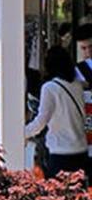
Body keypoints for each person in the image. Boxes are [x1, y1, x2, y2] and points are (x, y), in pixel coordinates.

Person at [24, 45, 88, 179]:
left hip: (60, 153)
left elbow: (41, 121)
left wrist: (22, 133)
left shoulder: (50, 88)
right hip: (81, 150)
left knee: (58, 196)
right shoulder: (77, 85)